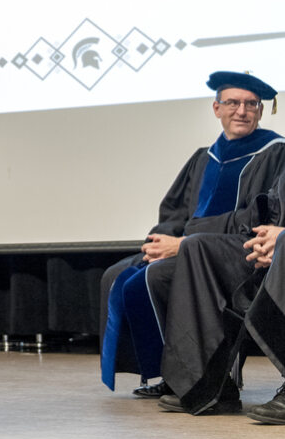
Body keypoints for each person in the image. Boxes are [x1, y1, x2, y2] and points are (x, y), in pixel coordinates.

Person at [100, 72, 285, 397]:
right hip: (188, 246)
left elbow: (259, 216)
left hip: (233, 248)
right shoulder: (204, 157)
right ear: (217, 108)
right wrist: (161, 241)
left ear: (259, 110)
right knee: (118, 275)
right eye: (232, 103)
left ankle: (194, 377)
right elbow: (175, 212)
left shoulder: (273, 152)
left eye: (250, 104)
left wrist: (185, 241)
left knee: (156, 277)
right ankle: (165, 373)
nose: (241, 111)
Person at [156, 168, 285, 418]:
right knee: (198, 248)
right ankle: (205, 382)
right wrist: (262, 238)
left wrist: (281, 240)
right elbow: (271, 207)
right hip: (275, 248)